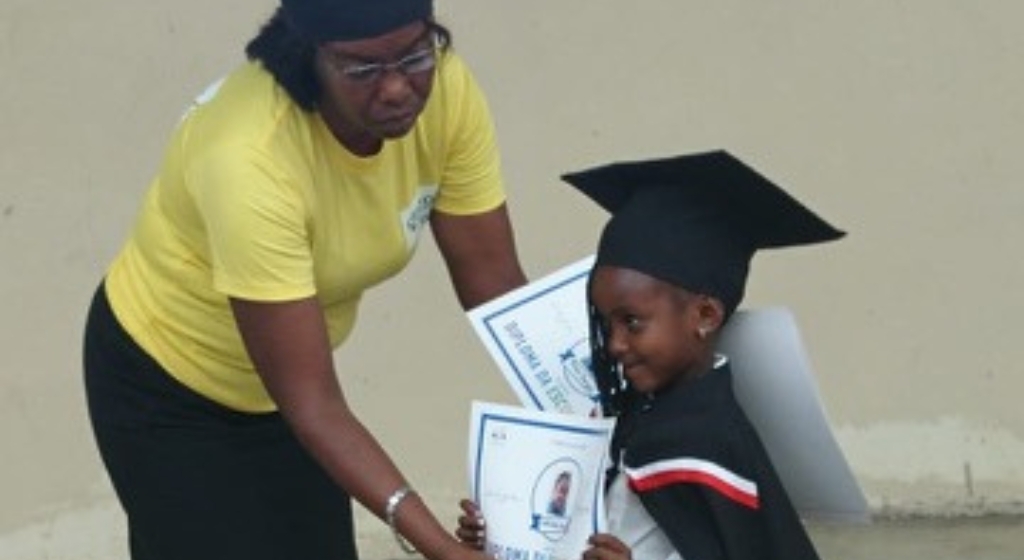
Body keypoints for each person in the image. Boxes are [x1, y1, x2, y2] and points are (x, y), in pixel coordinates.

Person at [83, 0, 526, 559]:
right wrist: (440, 547)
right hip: (169, 388)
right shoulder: (248, 157)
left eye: (415, 54)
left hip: (287, 395)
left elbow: (495, 284)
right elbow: (312, 403)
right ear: (308, 58)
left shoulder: (446, 89)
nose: (396, 88)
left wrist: (586, 409)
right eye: (362, 70)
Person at [458, 150, 841, 560]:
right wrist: (503, 536)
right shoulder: (627, 419)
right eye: (605, 324)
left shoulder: (716, 447)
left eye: (632, 322)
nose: (614, 344)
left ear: (706, 316)